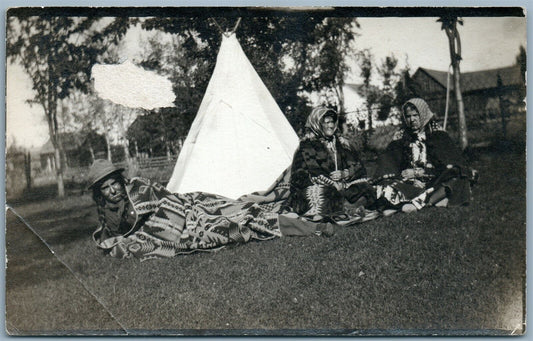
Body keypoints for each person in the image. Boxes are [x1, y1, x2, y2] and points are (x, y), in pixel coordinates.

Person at [87, 159, 335, 260]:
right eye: (106, 188)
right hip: (176, 230)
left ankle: (311, 213)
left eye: (115, 184)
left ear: (121, 181)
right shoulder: (106, 213)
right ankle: (309, 225)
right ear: (100, 193)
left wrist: (161, 225)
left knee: (243, 210)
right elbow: (114, 238)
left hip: (191, 208)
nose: (113, 191)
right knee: (241, 224)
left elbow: (169, 200)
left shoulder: (139, 186)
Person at [373, 98, 478, 214]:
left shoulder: (437, 133)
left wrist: (420, 172)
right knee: (385, 185)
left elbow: (448, 163)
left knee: (457, 174)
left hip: (434, 180)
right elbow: (389, 161)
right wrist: (396, 174)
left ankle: (422, 203)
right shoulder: (401, 135)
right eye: (408, 116)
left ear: (423, 114)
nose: (412, 120)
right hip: (410, 183)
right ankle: (434, 200)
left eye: (415, 115)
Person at [286, 107, 377, 224]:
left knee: (366, 187)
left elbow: (358, 165)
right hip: (319, 185)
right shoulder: (307, 146)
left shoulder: (342, 143)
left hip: (343, 185)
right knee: (321, 193)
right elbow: (301, 174)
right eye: (326, 122)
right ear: (317, 124)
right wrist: (330, 183)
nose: (331, 126)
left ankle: (344, 208)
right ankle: (344, 209)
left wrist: (346, 173)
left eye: (332, 122)